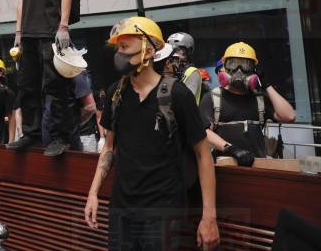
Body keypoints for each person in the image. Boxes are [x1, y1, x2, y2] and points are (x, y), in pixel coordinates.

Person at [84, 17, 219, 250]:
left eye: (125, 48)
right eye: (118, 48)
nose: (119, 54)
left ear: (147, 52)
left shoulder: (177, 95)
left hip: (164, 212)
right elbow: (108, 148)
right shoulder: (115, 94)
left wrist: (209, 217)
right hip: (122, 211)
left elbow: (203, 154)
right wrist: (93, 193)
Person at [7, 0, 79, 157]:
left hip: (50, 31)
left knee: (55, 86)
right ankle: (31, 134)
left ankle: (59, 138)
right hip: (27, 34)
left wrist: (64, 25)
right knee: (26, 86)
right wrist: (18, 32)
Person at [199, 42, 296, 165]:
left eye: (245, 65)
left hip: (257, 165)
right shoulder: (213, 98)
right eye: (233, 64)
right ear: (225, 67)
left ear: (253, 70)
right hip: (224, 167)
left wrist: (266, 85)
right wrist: (231, 149)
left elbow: (289, 116)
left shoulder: (259, 99)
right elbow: (205, 132)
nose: (239, 71)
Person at [167, 32, 204, 104]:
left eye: (177, 50)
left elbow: (186, 101)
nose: (173, 54)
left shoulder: (192, 72)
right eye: (171, 50)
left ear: (188, 51)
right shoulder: (170, 70)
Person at [0, 57, 17, 142]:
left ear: (0, 72)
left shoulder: (7, 92)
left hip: (2, 135)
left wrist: (11, 141)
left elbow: (12, 116)